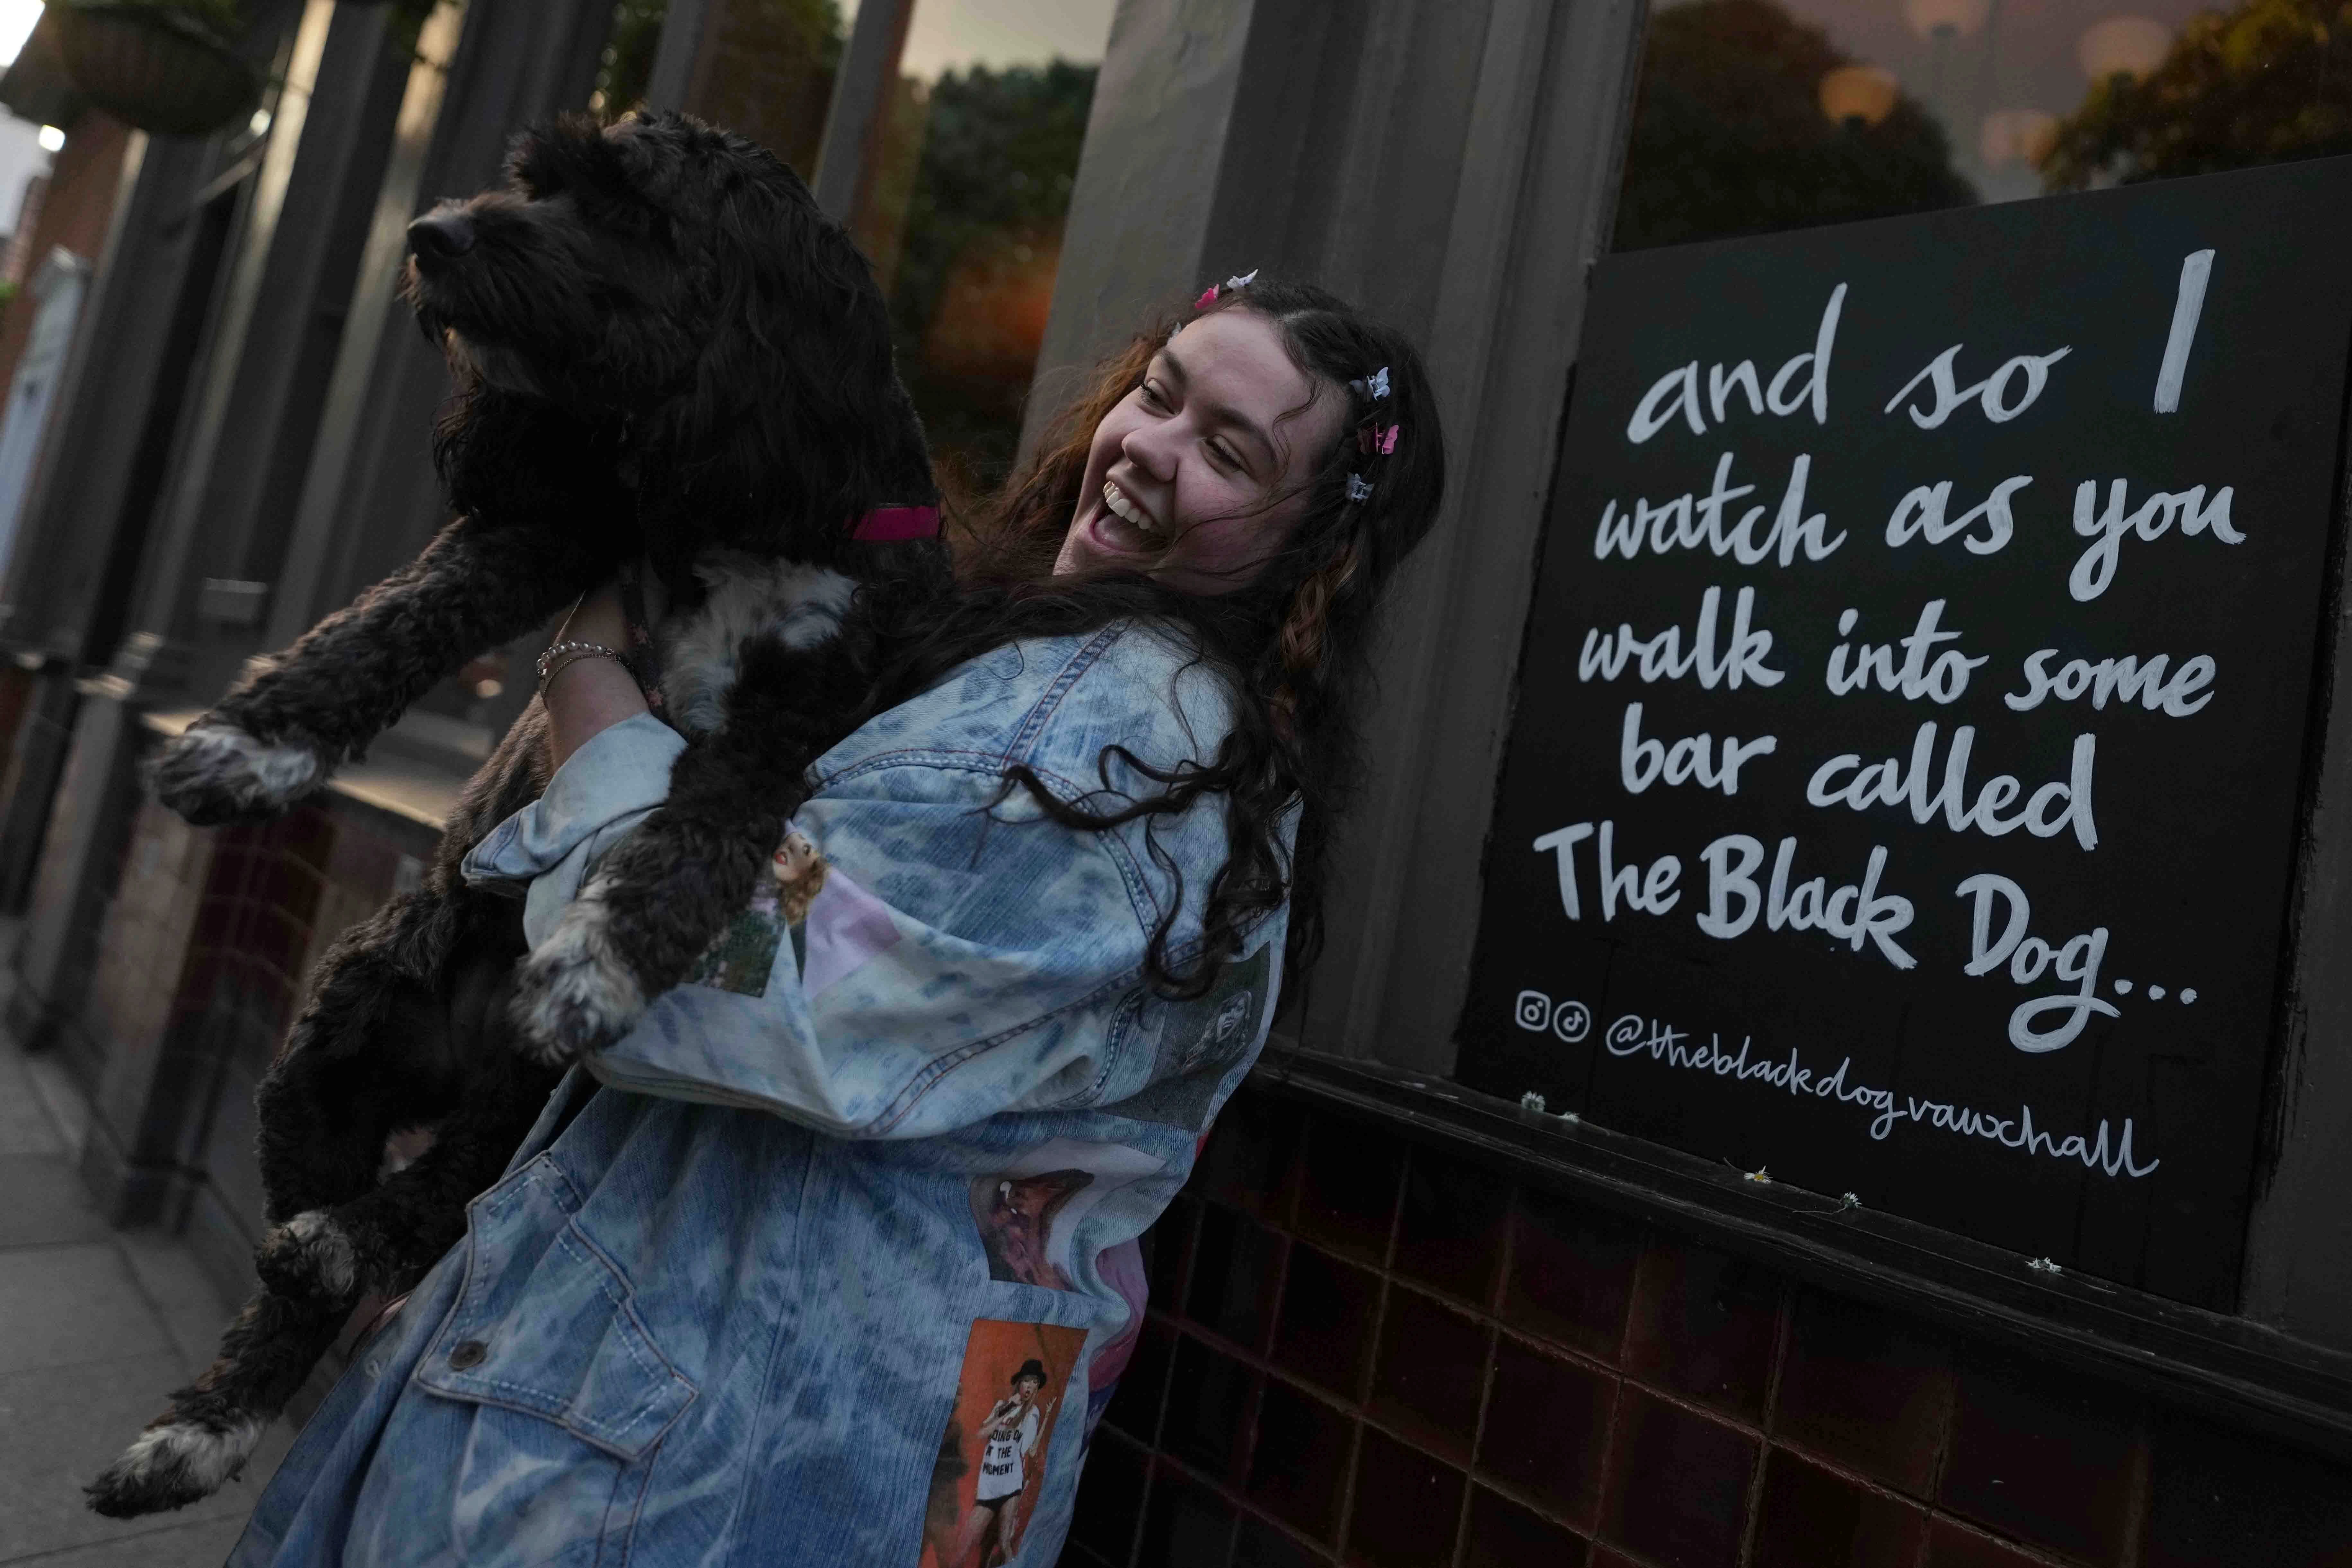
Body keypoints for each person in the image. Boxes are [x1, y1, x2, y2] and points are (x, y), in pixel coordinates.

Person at [226, 277, 1446, 1565]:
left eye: (1228, 452)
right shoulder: (1144, 714)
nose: (1149, 449)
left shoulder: (1096, 737)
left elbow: (703, 981)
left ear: (1309, 543)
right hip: (835, 1429)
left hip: (701, 1455)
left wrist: (591, 668)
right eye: (1159, 393)